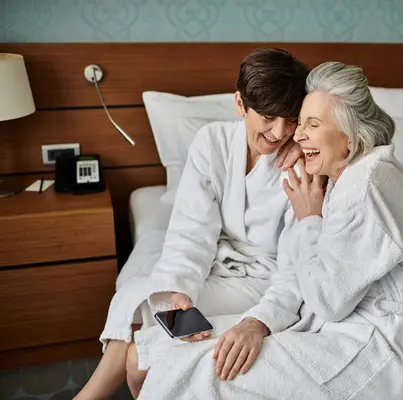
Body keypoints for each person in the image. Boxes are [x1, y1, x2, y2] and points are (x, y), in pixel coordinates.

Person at [128, 61, 403, 400]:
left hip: (371, 347)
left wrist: (309, 221)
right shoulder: (343, 176)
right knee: (159, 350)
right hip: (333, 328)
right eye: (299, 123)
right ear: (240, 105)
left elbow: (328, 301)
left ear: (349, 135)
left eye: (310, 124)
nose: (295, 136)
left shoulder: (366, 182)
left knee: (202, 369)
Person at [75, 48, 310, 400]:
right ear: (239, 104)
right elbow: (190, 233)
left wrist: (261, 321)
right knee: (140, 298)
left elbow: (298, 258)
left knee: (140, 334)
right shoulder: (212, 142)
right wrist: (177, 289)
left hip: (264, 279)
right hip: (218, 263)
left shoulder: (303, 163)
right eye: (269, 117)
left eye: (291, 119)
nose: (280, 132)